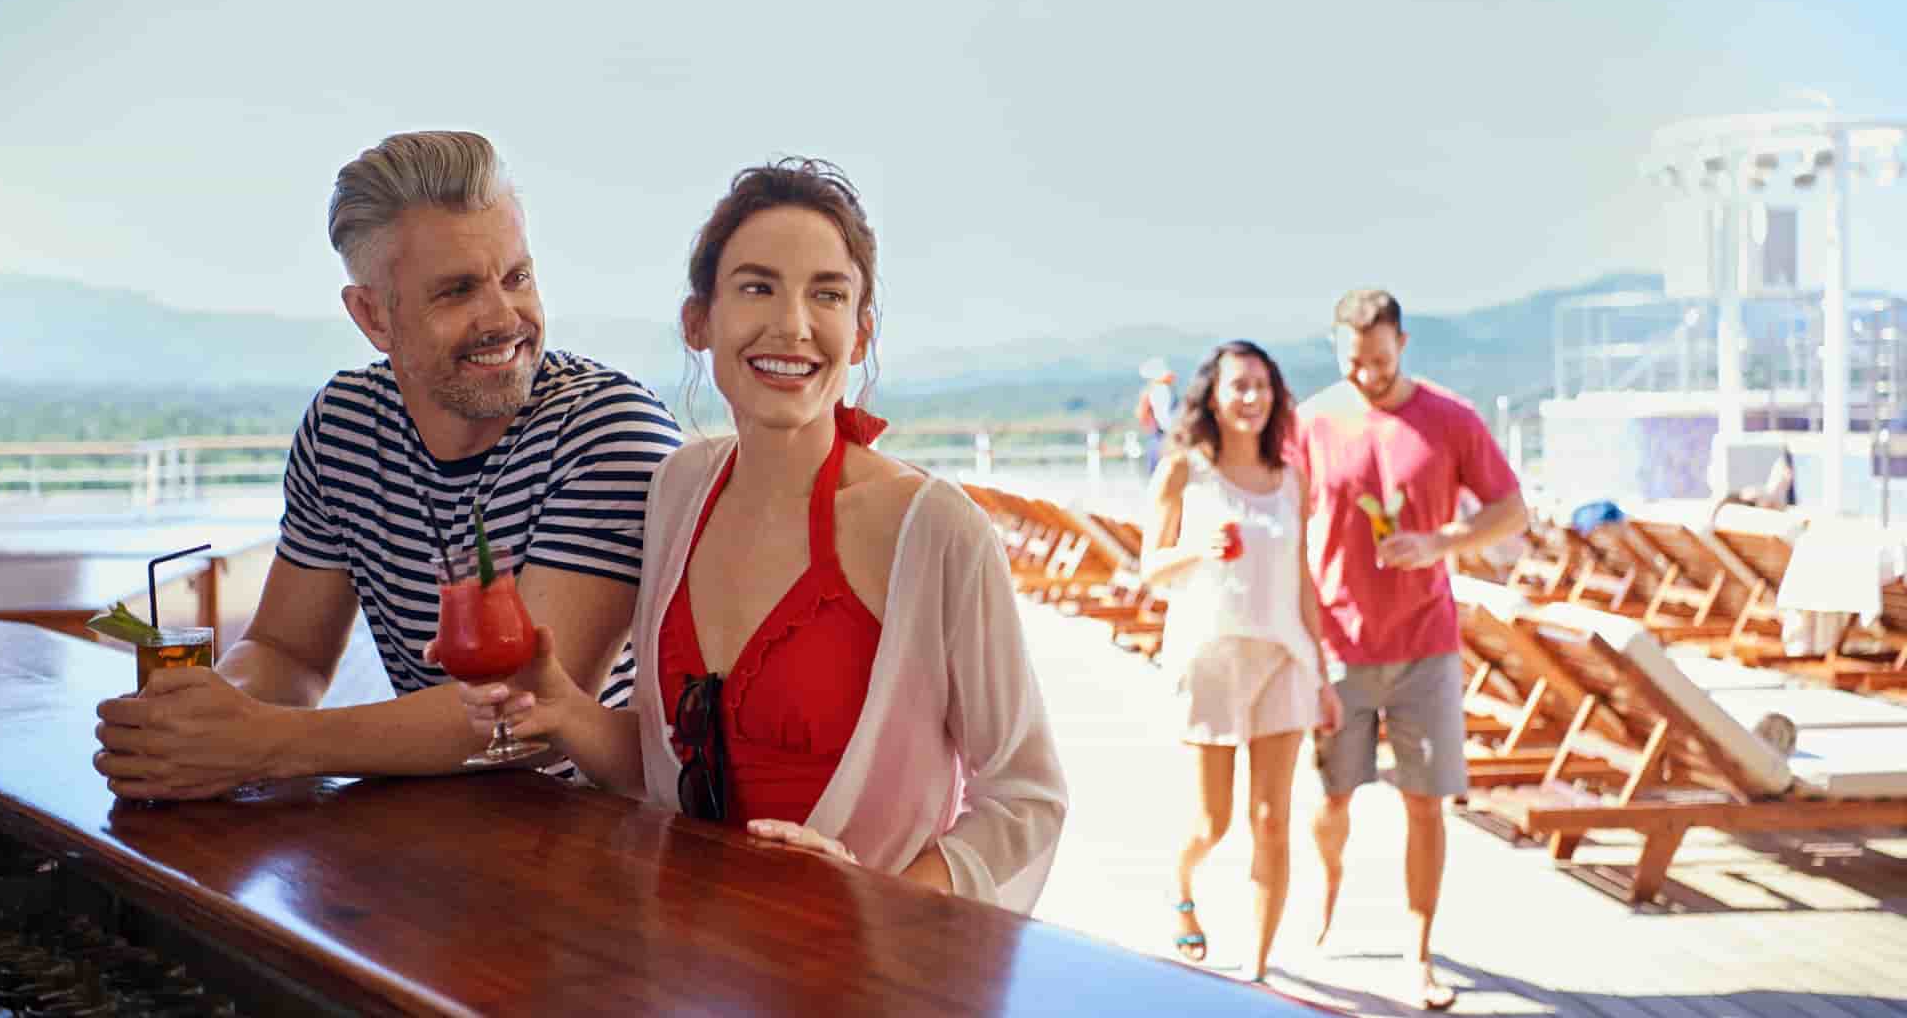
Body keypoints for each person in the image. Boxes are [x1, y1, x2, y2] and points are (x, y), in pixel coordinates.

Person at [455, 158, 1068, 911]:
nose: (793, 325)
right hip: (691, 967)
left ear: (861, 328)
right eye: (757, 287)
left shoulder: (933, 528)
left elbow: (1027, 798)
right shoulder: (679, 490)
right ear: (698, 322)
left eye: (828, 294)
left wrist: (882, 903)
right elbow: (670, 772)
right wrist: (558, 704)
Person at [93, 131, 682, 799]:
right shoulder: (343, 425)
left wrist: (262, 743)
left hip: (601, 836)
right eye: (458, 291)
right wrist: (209, 714)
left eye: (517, 277)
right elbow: (288, 652)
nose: (504, 316)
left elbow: (528, 718)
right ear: (372, 315)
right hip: (431, 828)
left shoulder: (607, 428)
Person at [1292, 288, 1527, 1012]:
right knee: (1332, 799)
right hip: (1337, 641)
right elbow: (1280, 519)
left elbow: (1511, 509)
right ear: (1339, 350)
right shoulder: (1311, 421)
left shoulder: (1450, 419)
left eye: (1381, 361)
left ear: (1404, 345)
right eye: (1355, 361)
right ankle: (1327, 885)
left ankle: (1418, 954)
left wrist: (1441, 543)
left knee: (1426, 806)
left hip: (1427, 641)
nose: (1368, 375)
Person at [1141, 340, 1341, 986]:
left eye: (1263, 386)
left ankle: (1257, 974)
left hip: (1284, 658)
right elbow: (1150, 569)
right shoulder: (1183, 472)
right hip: (1211, 658)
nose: (1252, 398)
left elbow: (1303, 580)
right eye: (1239, 386)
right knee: (1214, 822)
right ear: (1214, 397)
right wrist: (1196, 548)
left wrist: (1324, 671)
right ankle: (1182, 880)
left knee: (1271, 819)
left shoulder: (1292, 480)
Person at [1136, 357, 1178, 474]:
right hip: (1163, 437)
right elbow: (1164, 417)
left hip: (1157, 437)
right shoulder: (1162, 390)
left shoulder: (1154, 390)